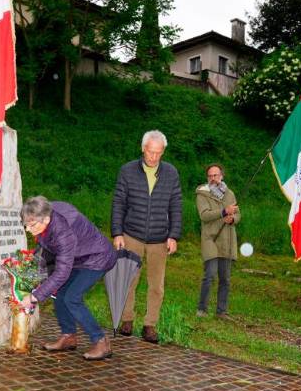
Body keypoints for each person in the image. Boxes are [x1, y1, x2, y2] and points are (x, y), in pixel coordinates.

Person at [19, 197, 117, 360]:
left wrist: (35, 297)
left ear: (46, 219)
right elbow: (46, 249)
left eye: (32, 225)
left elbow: (62, 272)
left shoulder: (63, 233)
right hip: (78, 258)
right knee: (60, 294)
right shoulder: (45, 214)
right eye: (25, 225)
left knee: (72, 298)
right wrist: (33, 274)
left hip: (97, 258)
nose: (28, 229)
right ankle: (69, 337)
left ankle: (101, 341)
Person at [111, 130, 182, 343]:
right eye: (151, 152)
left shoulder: (171, 173)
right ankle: (127, 320)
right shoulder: (127, 170)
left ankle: (150, 325)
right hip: (131, 234)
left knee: (156, 286)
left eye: (158, 153)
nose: (154, 157)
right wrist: (117, 233)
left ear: (163, 152)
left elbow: (176, 205)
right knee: (128, 280)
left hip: (159, 238)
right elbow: (118, 202)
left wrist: (174, 235)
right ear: (143, 149)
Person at [196, 164, 240, 318]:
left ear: (222, 176)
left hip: (227, 240)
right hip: (211, 239)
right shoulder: (202, 194)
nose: (213, 178)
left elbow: (238, 214)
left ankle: (221, 312)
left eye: (215, 175)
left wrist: (232, 219)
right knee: (209, 275)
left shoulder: (230, 194)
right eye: (210, 176)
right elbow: (204, 215)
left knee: (225, 279)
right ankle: (202, 309)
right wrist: (223, 212)